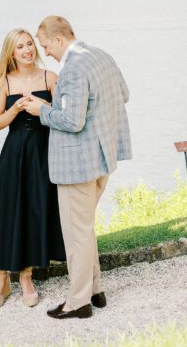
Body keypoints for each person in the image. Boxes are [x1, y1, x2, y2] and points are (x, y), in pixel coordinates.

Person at [23, 16, 131, 320]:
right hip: (102, 159)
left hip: (78, 165)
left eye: (45, 46)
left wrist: (41, 110)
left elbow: (72, 121)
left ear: (58, 39)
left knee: (76, 233)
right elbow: (123, 95)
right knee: (85, 228)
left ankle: (77, 301)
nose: (47, 54)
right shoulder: (101, 56)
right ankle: (95, 290)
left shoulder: (72, 69)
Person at [0, 29, 66, 309]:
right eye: (20, 47)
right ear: (11, 53)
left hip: (42, 152)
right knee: (6, 211)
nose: (27, 50)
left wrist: (45, 106)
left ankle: (26, 276)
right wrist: (16, 110)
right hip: (14, 153)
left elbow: (62, 117)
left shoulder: (50, 77)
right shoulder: (3, 81)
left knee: (34, 209)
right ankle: (2, 278)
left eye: (29, 45)